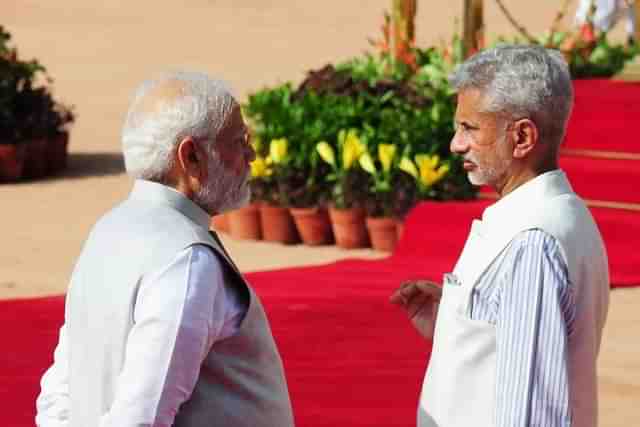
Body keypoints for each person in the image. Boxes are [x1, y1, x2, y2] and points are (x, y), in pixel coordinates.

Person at [35, 72, 295, 427]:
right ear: (191, 157)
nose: (251, 154)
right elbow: (142, 417)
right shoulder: (186, 259)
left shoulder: (108, 231)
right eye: (239, 140)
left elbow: (58, 396)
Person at [391, 45, 610, 427]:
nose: (456, 144)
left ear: (522, 136)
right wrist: (458, 321)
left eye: (470, 128)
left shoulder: (532, 241)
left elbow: (530, 411)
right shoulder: (556, 215)